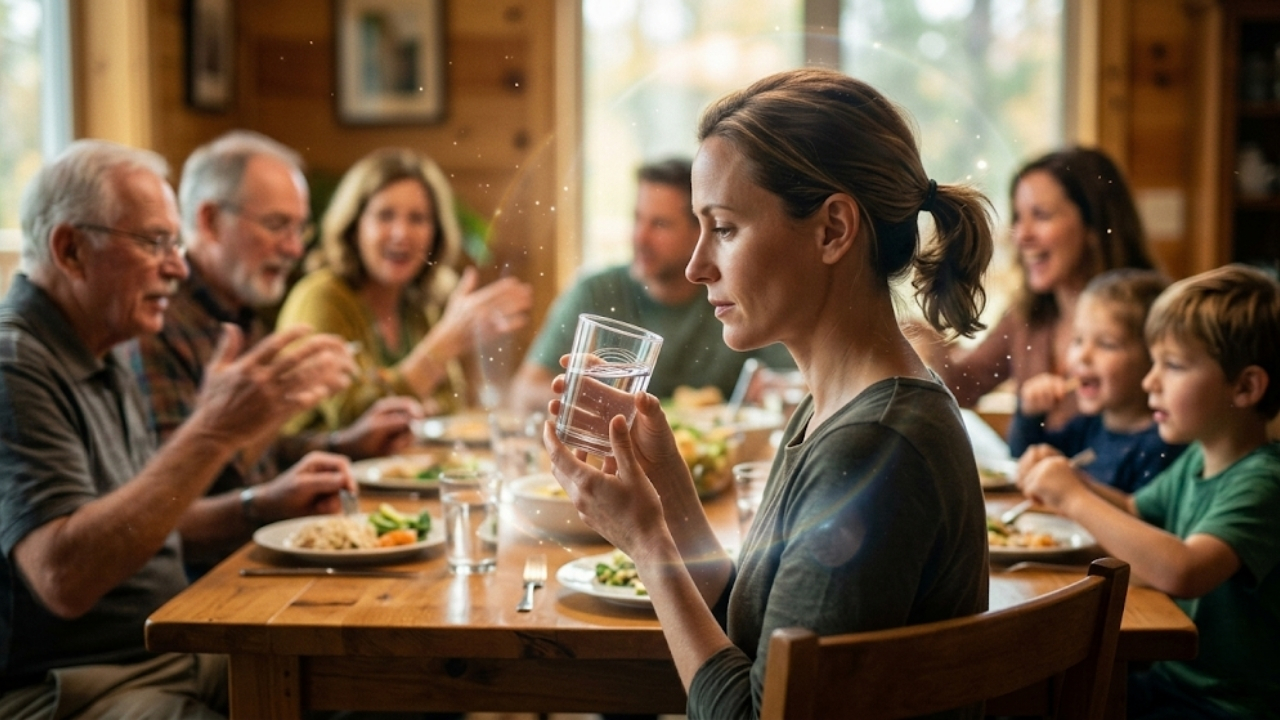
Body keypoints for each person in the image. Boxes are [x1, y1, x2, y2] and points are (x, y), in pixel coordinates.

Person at [543, 68, 993, 719]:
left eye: (722, 228)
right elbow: (763, 638)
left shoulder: (873, 447)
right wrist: (670, 497)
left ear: (834, 229)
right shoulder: (833, 409)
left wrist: (648, 545)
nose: (697, 266)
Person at [0, 140, 354, 718]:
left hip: (168, 642)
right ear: (69, 250)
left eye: (175, 241)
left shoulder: (104, 340)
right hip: (76, 683)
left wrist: (261, 505)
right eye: (154, 242)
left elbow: (147, 523)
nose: (179, 265)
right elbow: (64, 576)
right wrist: (212, 431)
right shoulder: (14, 364)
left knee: (371, 675)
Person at [132, 131, 425, 576]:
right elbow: (165, 506)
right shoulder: (160, 325)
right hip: (206, 583)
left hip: (254, 562)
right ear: (210, 221)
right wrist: (262, 504)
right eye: (276, 225)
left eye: (298, 227)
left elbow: (252, 454)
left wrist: (344, 443)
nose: (293, 248)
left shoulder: (241, 312)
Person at [1019, 264, 1280, 718]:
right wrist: (1074, 478)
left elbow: (1185, 570)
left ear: (1246, 386)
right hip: (1171, 681)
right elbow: (1136, 508)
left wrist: (1073, 498)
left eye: (1173, 366)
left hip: (1228, 705)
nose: (1149, 381)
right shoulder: (1201, 457)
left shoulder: (1263, 481)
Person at [276, 147, 533, 433]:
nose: (401, 233)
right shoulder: (321, 296)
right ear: (354, 226)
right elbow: (350, 416)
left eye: (417, 219)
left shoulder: (417, 302)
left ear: (435, 233)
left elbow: (449, 400)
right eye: (385, 216)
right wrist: (441, 346)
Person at [511, 159, 793, 413]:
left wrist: (773, 388)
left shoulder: (735, 296)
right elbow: (524, 392)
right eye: (637, 219)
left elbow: (793, 382)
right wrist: (596, 399)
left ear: (700, 230)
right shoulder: (595, 291)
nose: (640, 237)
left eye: (659, 224)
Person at [919, 147, 1156, 432]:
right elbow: (964, 386)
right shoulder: (1026, 315)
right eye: (1019, 218)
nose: (1022, 236)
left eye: (1041, 215)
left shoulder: (1151, 315)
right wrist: (925, 341)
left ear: (1094, 224)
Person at [1009, 268, 1187, 493]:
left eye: (1106, 344)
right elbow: (1021, 464)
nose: (1083, 356)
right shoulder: (1087, 428)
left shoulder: (1163, 447)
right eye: (1078, 340)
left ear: (1153, 360)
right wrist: (1030, 416)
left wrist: (1074, 488)